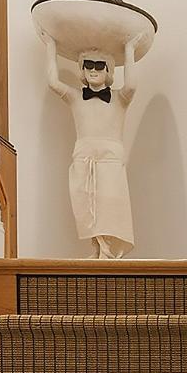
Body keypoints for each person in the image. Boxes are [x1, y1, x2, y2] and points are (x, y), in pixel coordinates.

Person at [44, 37, 136, 258]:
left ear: (108, 71)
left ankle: (108, 249)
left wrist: (129, 49)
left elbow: (131, 85)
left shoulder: (119, 98)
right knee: (86, 202)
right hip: (84, 157)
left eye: (99, 66)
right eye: (89, 65)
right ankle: (97, 247)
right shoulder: (76, 97)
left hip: (110, 159)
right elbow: (53, 82)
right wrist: (51, 46)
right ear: (82, 71)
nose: (93, 70)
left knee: (110, 204)